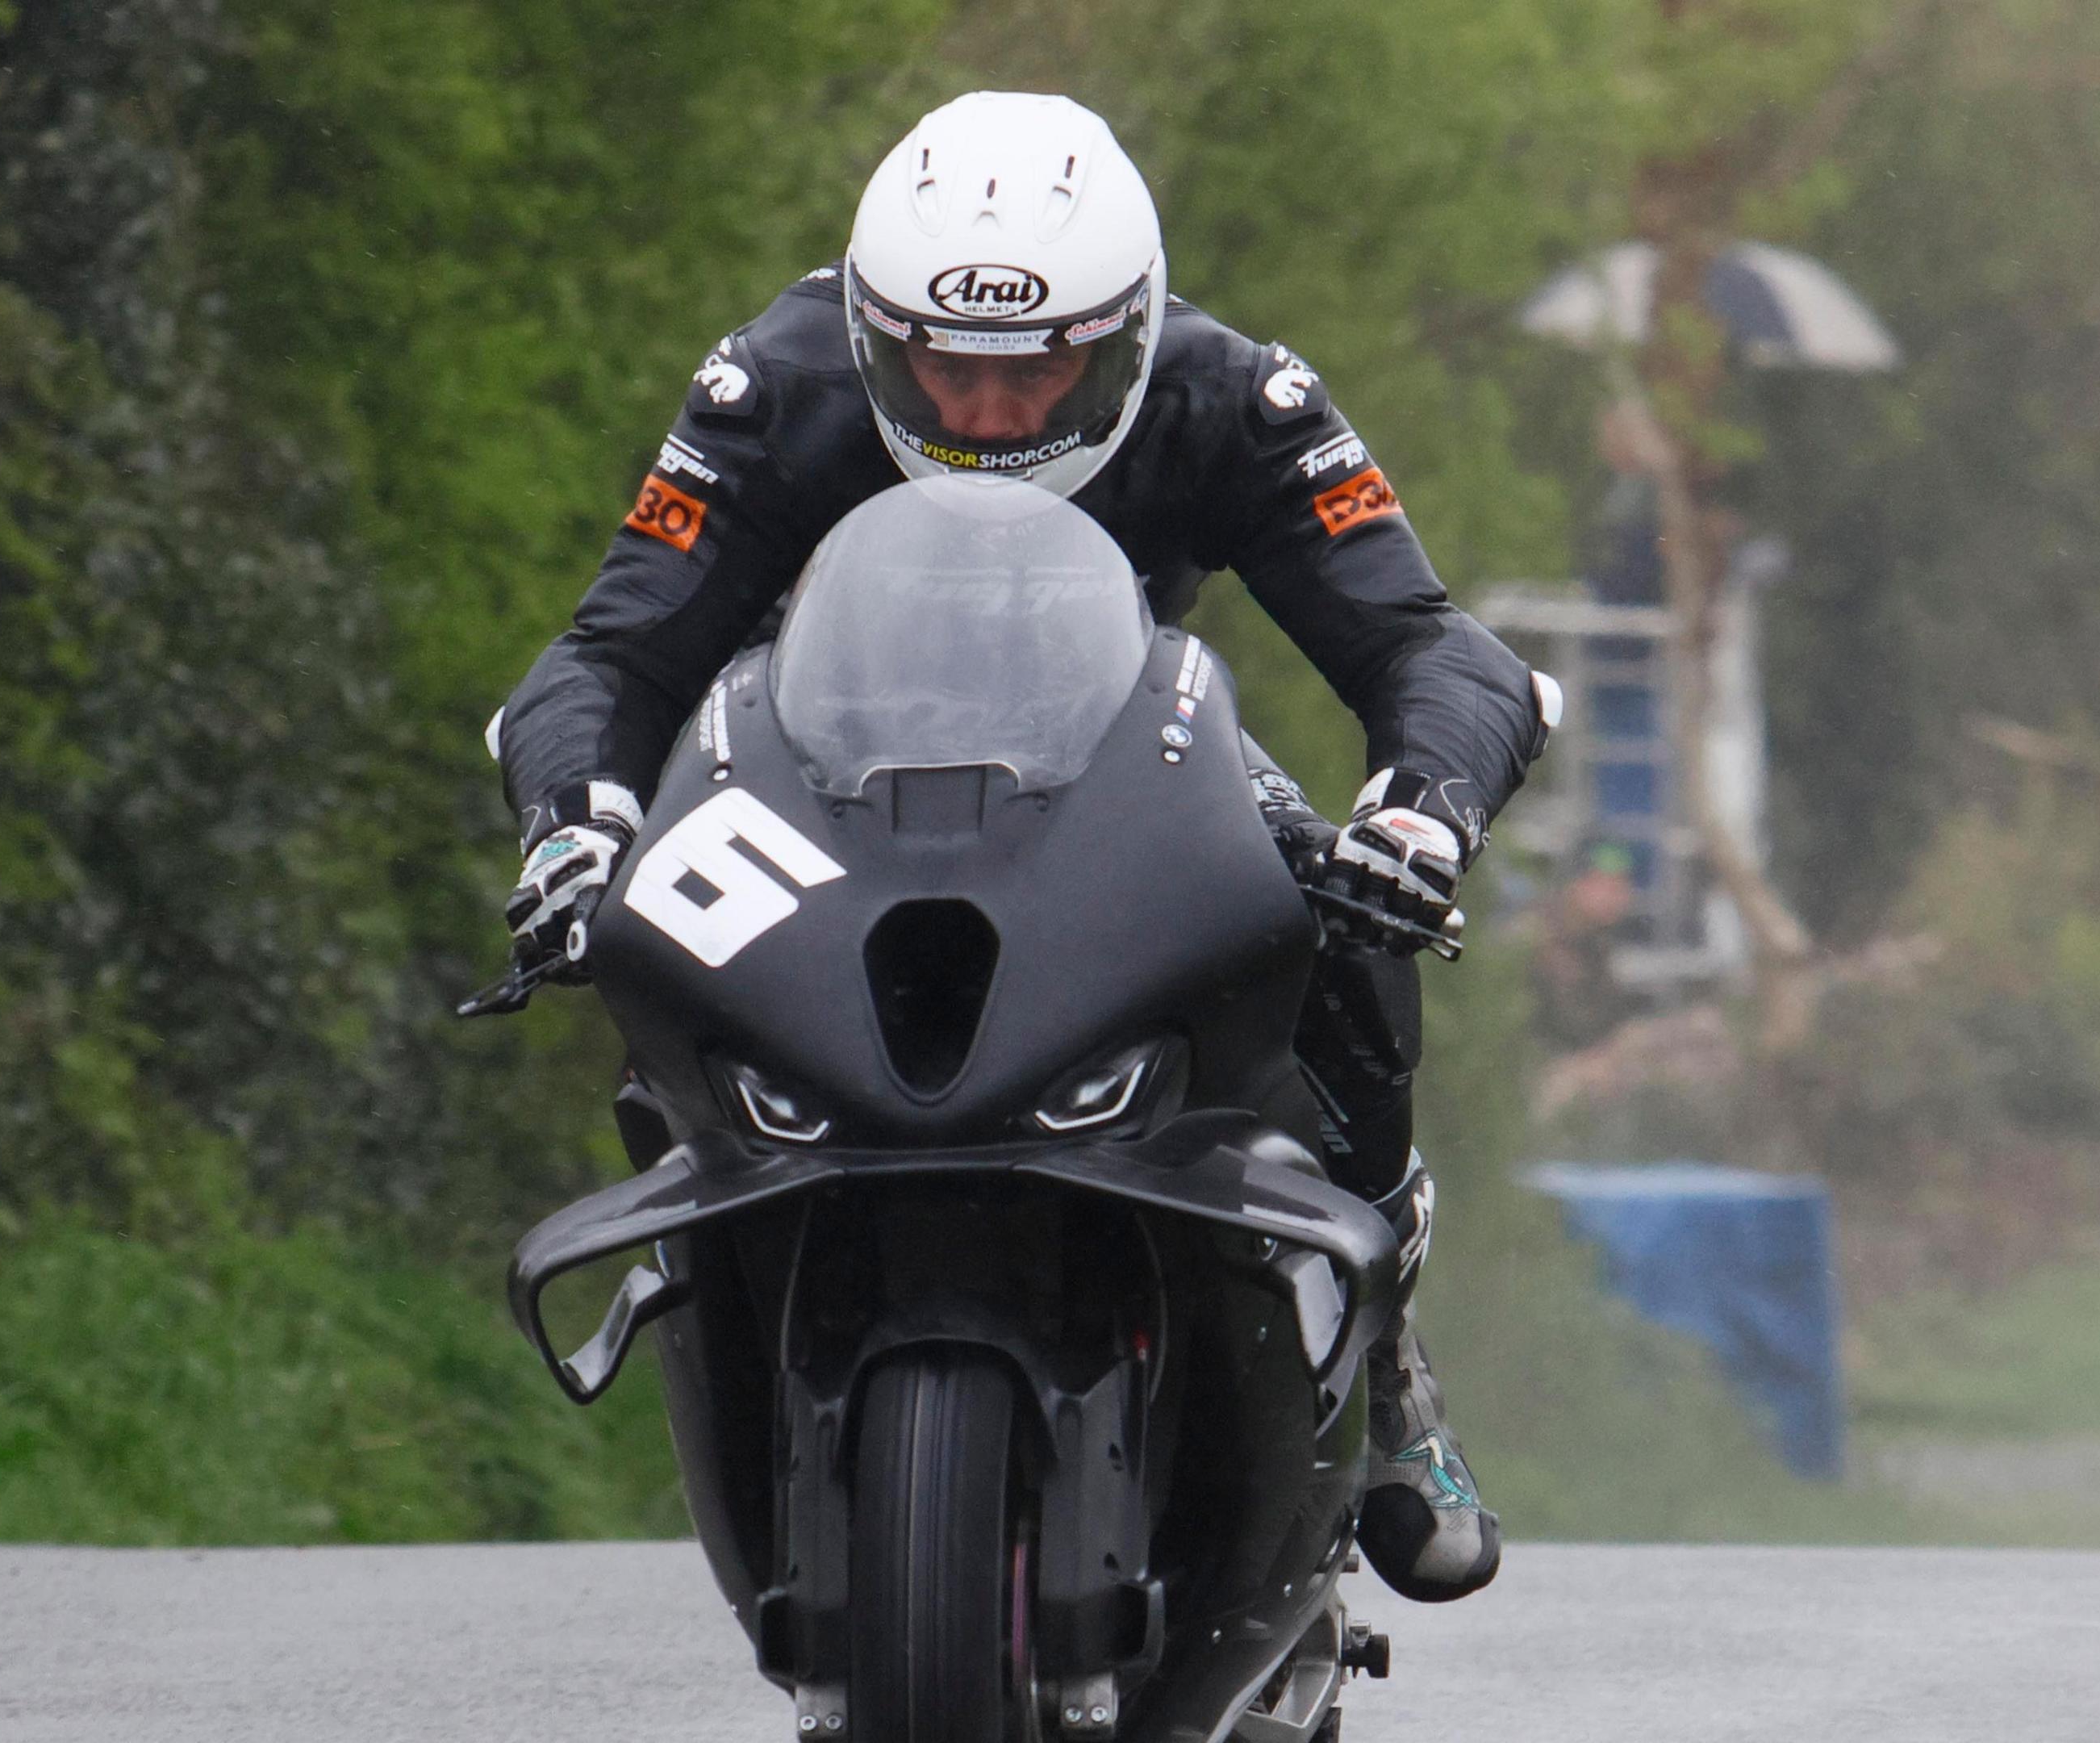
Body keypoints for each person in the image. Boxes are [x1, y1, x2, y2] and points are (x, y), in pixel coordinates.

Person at [492, 91, 1551, 1603]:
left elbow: (1436, 647)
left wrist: (1420, 811)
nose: (989, 414)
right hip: (826, 774)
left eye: (1042, 365)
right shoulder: (768, 387)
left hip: (1123, 759)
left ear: (1124, 335)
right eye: (944, 363)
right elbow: (608, 659)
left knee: (1337, 910)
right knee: (656, 938)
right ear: (872, 332)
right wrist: (575, 828)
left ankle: (1382, 1358)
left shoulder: (1235, 395)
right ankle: (723, 1273)